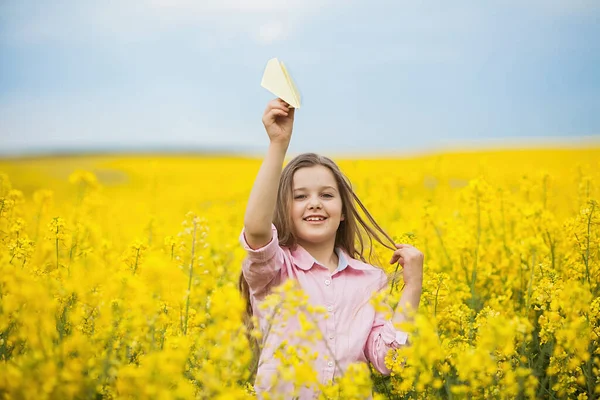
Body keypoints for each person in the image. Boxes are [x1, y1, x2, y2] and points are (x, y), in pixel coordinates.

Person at [238, 98, 424, 399]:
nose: (314, 203)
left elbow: (391, 360)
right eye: (300, 197)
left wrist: (412, 286)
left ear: (343, 211)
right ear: (283, 209)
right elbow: (257, 230)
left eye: (326, 195)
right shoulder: (275, 271)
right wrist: (278, 145)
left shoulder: (370, 280)